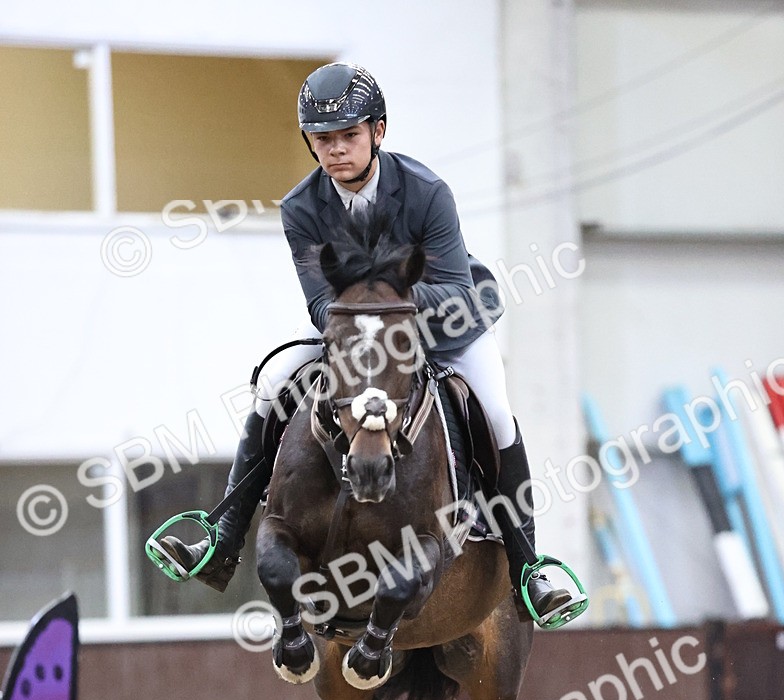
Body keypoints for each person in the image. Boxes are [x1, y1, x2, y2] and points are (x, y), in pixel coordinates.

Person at [163, 62, 573, 620]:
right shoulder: (301, 209)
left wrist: (387, 306)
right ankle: (223, 539)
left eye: (349, 135)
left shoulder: (427, 192)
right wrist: (363, 321)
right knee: (274, 387)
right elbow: (317, 302)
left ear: (378, 131)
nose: (336, 150)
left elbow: (451, 287)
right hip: (355, 335)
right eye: (323, 139)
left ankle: (529, 566)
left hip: (447, 327)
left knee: (497, 413)